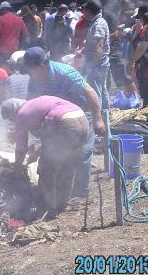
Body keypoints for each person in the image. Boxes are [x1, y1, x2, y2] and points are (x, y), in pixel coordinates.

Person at [23, 46, 105, 197]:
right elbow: (30, 102)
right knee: (53, 153)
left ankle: (80, 193)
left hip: (81, 113)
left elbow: (90, 92)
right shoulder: (34, 80)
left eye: (30, 69)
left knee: (82, 152)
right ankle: (54, 192)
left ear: (40, 66)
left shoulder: (64, 73)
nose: (28, 73)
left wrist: (98, 119)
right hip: (56, 119)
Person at [1, 96, 89, 218]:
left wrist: (16, 171)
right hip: (82, 119)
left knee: (47, 170)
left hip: (65, 124)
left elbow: (21, 149)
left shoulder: (21, 114)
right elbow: (48, 138)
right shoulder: (32, 105)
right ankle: (62, 204)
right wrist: (36, 154)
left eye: (11, 119)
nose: (13, 122)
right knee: (68, 166)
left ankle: (48, 210)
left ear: (13, 113)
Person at [81, 0, 110, 110]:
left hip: (98, 64)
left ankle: (99, 119)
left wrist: (93, 65)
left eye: (84, 8)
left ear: (89, 10)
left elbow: (99, 47)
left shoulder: (98, 24)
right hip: (99, 63)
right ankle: (106, 115)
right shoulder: (97, 22)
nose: (82, 11)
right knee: (102, 90)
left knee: (96, 91)